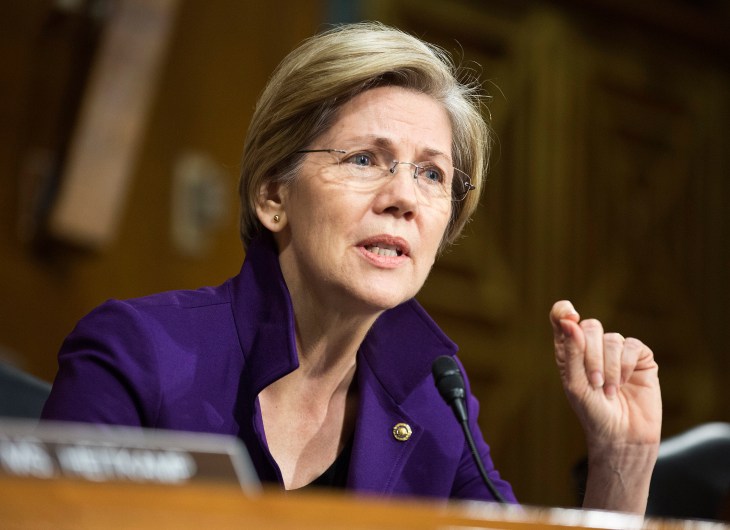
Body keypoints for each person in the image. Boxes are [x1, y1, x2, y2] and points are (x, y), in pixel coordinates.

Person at [41, 22, 661, 511]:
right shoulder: (137, 352)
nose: (404, 197)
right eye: (365, 159)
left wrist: (621, 462)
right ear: (273, 197)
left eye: (432, 173)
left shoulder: (436, 402)